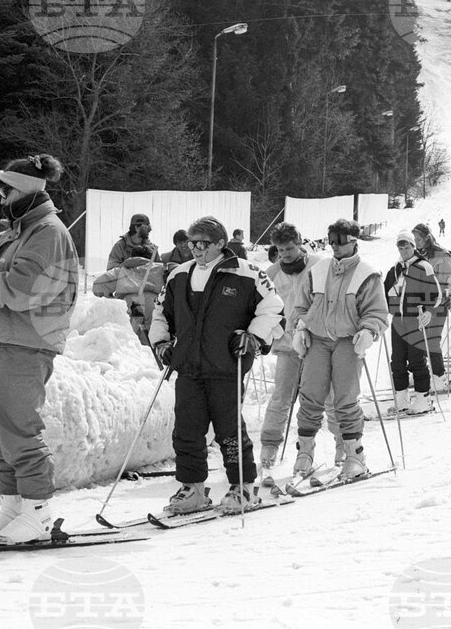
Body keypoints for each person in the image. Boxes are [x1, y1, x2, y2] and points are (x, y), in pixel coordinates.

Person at [0, 154, 78, 544]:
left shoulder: (48, 233)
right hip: (1, 340)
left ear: (26, 189)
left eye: (6, 190)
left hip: (26, 343)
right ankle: (13, 506)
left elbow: (17, 289)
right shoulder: (18, 230)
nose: (2, 198)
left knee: (19, 431)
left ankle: (38, 511)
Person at [150, 216, 283, 514]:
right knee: (187, 428)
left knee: (229, 429)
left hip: (226, 365)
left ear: (221, 243)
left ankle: (242, 487)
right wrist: (161, 343)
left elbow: (273, 307)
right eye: (191, 243)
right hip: (189, 366)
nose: (195, 249)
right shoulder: (179, 275)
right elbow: (161, 312)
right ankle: (193, 488)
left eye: (202, 244)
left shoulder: (247, 273)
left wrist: (253, 336)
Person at [290, 219, 389, 480]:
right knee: (310, 394)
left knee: (345, 399)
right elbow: (301, 305)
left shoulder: (367, 274)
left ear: (354, 241)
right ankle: (305, 451)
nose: (334, 245)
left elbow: (377, 312)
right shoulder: (319, 270)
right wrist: (300, 328)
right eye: (331, 240)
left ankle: (354, 454)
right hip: (318, 339)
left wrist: (368, 331)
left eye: (340, 240)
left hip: (347, 341)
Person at [259, 223, 341, 487]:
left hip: (316, 341)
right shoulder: (271, 273)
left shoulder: (319, 265)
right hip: (287, 345)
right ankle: (269, 448)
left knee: (326, 395)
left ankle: (342, 444)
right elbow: (265, 308)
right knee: (281, 396)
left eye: (290, 248)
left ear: (300, 243)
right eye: (280, 250)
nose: (285, 254)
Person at [384, 231, 441, 414]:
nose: (403, 250)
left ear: (413, 247)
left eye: (407, 246)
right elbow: (385, 292)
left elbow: (435, 294)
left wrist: (429, 312)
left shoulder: (424, 266)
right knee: (397, 361)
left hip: (415, 320)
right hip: (398, 321)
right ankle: (401, 399)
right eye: (400, 247)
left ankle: (422, 399)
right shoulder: (395, 269)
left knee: (417, 360)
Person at [413, 224, 451, 393]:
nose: (416, 243)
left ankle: (439, 377)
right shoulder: (416, 255)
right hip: (422, 304)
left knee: (432, 341)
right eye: (414, 240)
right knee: (421, 340)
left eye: (418, 239)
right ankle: (429, 373)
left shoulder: (440, 255)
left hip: (438, 303)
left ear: (427, 238)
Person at [92, 244, 163, 346]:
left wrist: (113, 300)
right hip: (153, 307)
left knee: (130, 346)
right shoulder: (159, 269)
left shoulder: (121, 270)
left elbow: (98, 285)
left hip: (128, 306)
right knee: (151, 346)